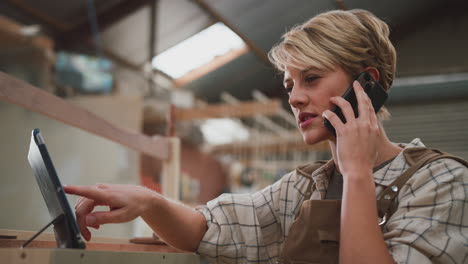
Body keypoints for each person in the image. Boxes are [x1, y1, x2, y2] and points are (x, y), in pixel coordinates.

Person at [64, 9, 468, 264]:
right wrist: (147, 200)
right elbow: (208, 229)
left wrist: (358, 172)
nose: (294, 97)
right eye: (290, 83)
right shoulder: (304, 187)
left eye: (310, 78)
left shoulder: (441, 181)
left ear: (367, 82)